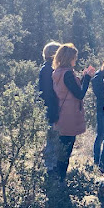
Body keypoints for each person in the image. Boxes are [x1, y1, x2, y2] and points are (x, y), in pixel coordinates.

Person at [52, 43, 95, 182]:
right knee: (66, 152)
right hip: (69, 117)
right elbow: (80, 94)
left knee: (61, 150)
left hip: (61, 115)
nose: (75, 60)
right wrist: (88, 77)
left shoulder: (57, 72)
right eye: (74, 58)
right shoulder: (68, 74)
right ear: (69, 58)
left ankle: (58, 179)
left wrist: (82, 78)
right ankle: (61, 181)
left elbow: (71, 90)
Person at [39, 41, 61, 174]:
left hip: (51, 108)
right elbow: (48, 93)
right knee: (52, 140)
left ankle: (51, 167)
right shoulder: (48, 69)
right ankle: (50, 169)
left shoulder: (47, 68)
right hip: (51, 110)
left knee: (53, 139)